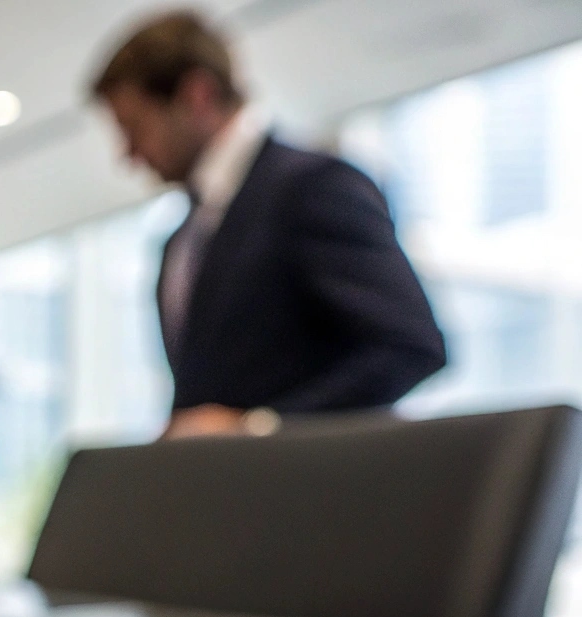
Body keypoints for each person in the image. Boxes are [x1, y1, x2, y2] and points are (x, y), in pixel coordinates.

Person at [91, 10, 446, 440]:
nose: (128, 155)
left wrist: (258, 428)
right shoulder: (180, 241)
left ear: (198, 95)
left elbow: (409, 347)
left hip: (306, 496)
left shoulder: (313, 187)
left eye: (134, 128)